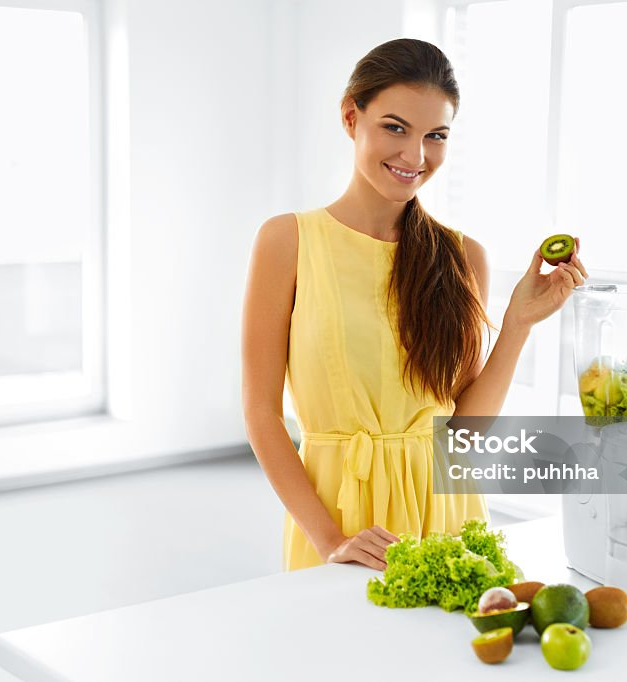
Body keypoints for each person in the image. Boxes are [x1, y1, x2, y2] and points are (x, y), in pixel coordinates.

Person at [241, 38, 587, 572]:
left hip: (446, 515)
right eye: (395, 127)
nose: (415, 156)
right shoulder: (287, 241)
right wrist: (329, 538)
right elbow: (261, 413)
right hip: (342, 523)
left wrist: (518, 323)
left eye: (436, 136)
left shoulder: (462, 255)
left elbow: (463, 436)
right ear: (351, 116)